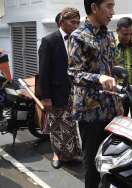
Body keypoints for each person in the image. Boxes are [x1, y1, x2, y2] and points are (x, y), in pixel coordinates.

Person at [67, 0, 123, 187]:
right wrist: (98, 78)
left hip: (112, 108)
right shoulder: (78, 36)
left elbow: (108, 65)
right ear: (94, 7)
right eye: (109, 6)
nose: (112, 12)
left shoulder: (109, 35)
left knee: (112, 160)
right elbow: (74, 73)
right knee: (92, 165)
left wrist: (116, 72)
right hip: (90, 112)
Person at [38, 8, 81, 169]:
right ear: (61, 22)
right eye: (72, 22)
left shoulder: (77, 39)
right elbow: (44, 71)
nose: (76, 25)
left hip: (75, 92)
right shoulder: (49, 41)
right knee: (56, 125)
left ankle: (70, 155)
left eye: (78, 22)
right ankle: (57, 154)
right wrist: (46, 97)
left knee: (70, 125)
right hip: (56, 92)